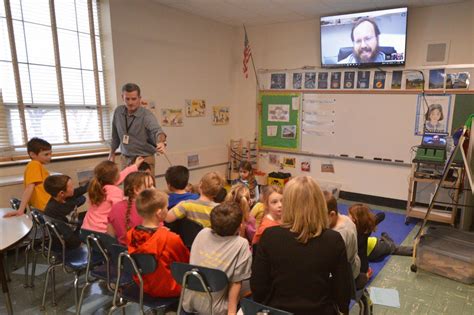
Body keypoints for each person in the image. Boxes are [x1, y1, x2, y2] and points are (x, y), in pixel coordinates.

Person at [251, 176, 351, 315]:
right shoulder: (333, 239)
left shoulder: (270, 236)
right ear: (319, 204)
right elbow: (343, 289)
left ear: (288, 204)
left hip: (277, 310)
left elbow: (258, 285)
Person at [182, 202, 252, 315]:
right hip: (214, 310)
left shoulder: (202, 233)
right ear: (240, 226)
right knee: (248, 285)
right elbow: (236, 282)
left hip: (188, 301)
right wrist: (231, 312)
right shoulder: (241, 244)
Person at [127, 189, 189, 298]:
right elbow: (185, 263)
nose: (167, 209)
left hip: (142, 283)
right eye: (166, 207)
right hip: (169, 288)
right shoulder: (171, 238)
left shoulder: (130, 235)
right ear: (159, 213)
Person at [108, 83, 167, 176]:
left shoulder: (146, 115)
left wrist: (161, 142)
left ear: (139, 98)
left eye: (134, 99)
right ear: (122, 97)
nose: (130, 102)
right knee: (128, 188)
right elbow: (115, 136)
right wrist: (111, 154)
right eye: (127, 99)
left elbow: (158, 132)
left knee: (146, 188)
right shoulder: (118, 112)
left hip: (144, 158)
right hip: (125, 158)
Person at [81, 157, 143, 234]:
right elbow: (120, 212)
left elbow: (121, 176)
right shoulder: (114, 191)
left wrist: (135, 166)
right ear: (114, 177)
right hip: (102, 233)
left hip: (86, 229)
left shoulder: (95, 187)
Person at [4, 138, 52, 217]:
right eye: (46, 154)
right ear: (32, 154)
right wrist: (21, 210)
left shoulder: (36, 165)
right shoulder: (34, 165)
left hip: (44, 205)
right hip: (44, 205)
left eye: (50, 154)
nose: (50, 157)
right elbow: (29, 188)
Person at [107, 172, 155, 245]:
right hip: (146, 254)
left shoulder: (115, 208)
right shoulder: (150, 210)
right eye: (150, 186)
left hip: (123, 254)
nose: (154, 189)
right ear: (136, 190)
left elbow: (110, 237)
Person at [43, 174, 89, 249]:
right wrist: (81, 245)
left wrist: (96, 180)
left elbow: (82, 189)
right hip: (70, 239)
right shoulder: (52, 210)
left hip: (74, 225)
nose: (73, 188)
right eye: (71, 187)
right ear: (62, 193)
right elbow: (66, 234)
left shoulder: (67, 196)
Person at [323, 191, 360, 280]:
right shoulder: (345, 218)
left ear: (332, 214)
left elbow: (335, 265)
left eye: (320, 218)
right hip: (353, 264)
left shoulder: (339, 235)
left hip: (346, 275)